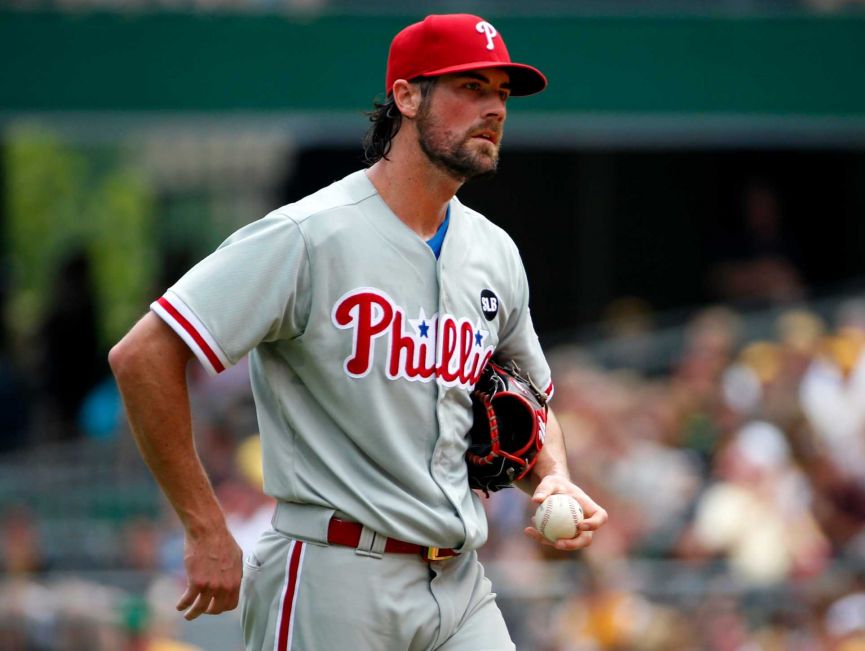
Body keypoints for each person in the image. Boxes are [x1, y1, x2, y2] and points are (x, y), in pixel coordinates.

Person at [109, 13, 607, 650]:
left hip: (459, 583)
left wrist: (555, 475)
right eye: (471, 88)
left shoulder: (494, 252)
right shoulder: (308, 235)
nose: (493, 109)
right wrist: (205, 524)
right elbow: (143, 354)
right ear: (405, 95)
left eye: (501, 95)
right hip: (334, 573)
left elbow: (532, 402)